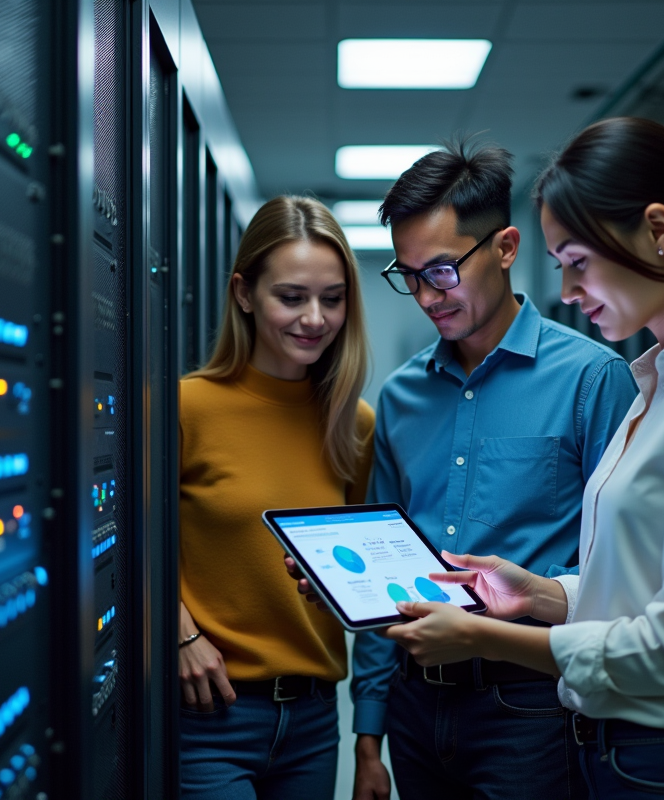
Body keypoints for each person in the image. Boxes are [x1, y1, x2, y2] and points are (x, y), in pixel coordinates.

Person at [380, 118, 664, 799]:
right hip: (622, 753)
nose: (567, 292)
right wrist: (536, 592)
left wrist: (484, 639)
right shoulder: (660, 382)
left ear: (658, 231)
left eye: (576, 262)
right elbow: (635, 586)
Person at [290, 139, 638, 800]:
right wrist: (369, 737)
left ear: (505, 248)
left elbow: (621, 575)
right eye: (409, 274)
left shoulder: (593, 381)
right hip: (417, 711)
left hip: (532, 707)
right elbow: (385, 578)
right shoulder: (399, 398)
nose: (426, 295)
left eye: (443, 270)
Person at [178, 195, 376, 798]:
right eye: (291, 297)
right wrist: (177, 634)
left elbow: (361, 575)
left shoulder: (354, 423)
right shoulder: (187, 407)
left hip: (315, 721)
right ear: (244, 293)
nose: (314, 318)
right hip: (210, 713)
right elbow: (116, 547)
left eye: (333, 299)